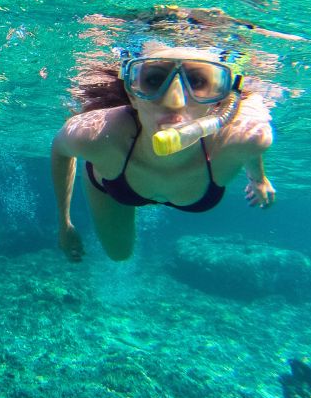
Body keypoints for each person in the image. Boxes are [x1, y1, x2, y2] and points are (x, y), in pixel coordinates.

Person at [51, 45, 276, 262]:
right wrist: (64, 223)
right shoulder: (96, 136)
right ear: (132, 96)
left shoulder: (248, 139)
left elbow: (249, 143)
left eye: (197, 81)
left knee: (119, 254)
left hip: (121, 167)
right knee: (118, 254)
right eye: (154, 80)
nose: (174, 102)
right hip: (112, 178)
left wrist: (259, 178)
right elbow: (60, 150)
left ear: (219, 100)